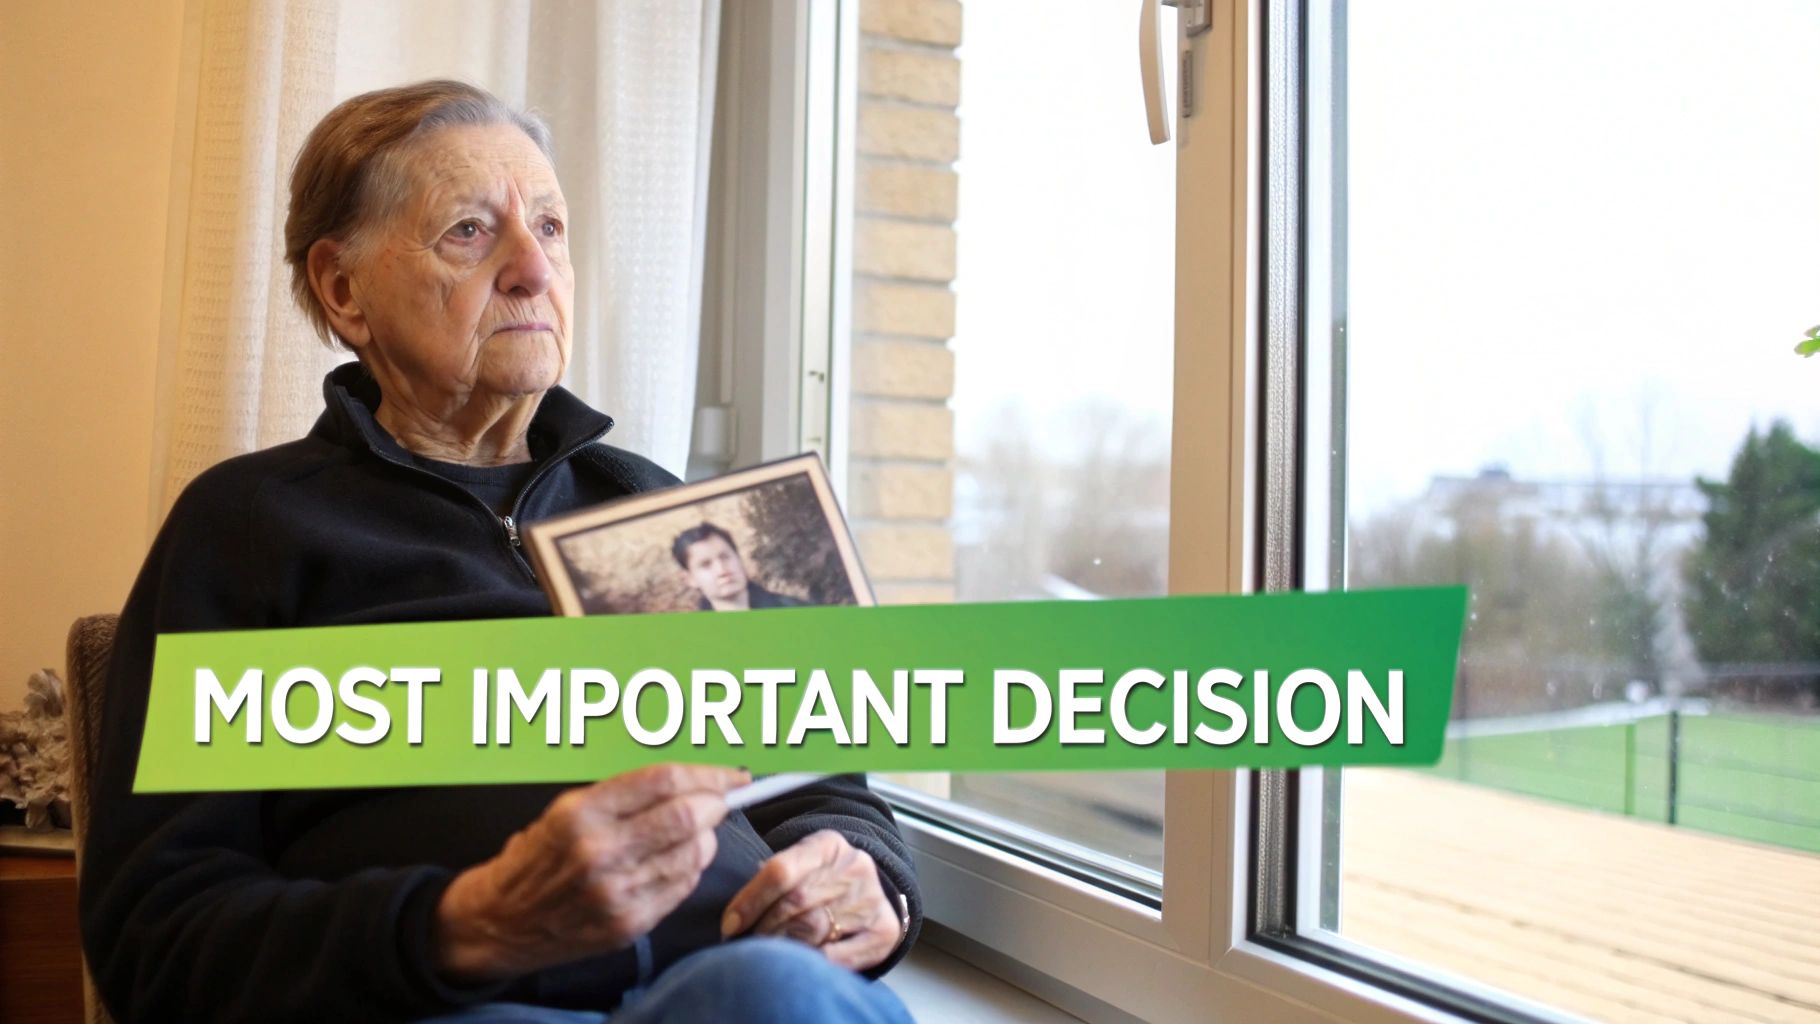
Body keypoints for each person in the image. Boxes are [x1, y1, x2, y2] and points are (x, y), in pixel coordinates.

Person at [79, 81, 918, 1024]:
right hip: (444, 1004)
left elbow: (826, 789)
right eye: (471, 232)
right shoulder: (249, 527)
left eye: (551, 228)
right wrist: (469, 924)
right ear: (343, 288)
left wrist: (865, 883)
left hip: (722, 984)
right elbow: (156, 934)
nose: (533, 267)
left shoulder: (656, 505)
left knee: (775, 991)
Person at [671, 523, 807, 611]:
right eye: (706, 565)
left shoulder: (797, 612)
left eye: (725, 557)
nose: (722, 570)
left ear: (739, 558)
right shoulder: (693, 641)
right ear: (689, 579)